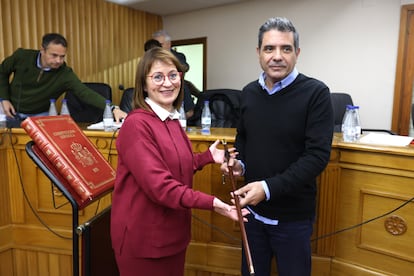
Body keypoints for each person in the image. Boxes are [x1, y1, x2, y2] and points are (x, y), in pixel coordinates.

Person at [110, 47, 248, 276]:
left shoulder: (172, 118)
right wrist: (215, 204)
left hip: (173, 236)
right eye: (157, 77)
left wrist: (206, 158)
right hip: (143, 240)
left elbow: (174, 165)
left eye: (173, 75)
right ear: (143, 84)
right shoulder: (136, 124)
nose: (167, 83)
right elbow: (161, 186)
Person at [221, 17, 334, 276]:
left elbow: (316, 157)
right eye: (269, 49)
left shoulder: (316, 93)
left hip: (293, 219)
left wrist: (267, 188)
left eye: (286, 48)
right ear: (258, 53)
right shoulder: (248, 92)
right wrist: (239, 165)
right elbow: (243, 140)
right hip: (252, 214)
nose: (277, 56)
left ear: (297, 53)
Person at [0, 33, 127, 126]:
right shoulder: (22, 56)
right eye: (54, 55)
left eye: (62, 56)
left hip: (40, 116)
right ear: (42, 50)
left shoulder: (65, 73)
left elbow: (85, 93)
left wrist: (112, 108)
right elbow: (2, 72)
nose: (58, 61)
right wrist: (4, 98)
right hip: (9, 109)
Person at [152, 30, 195, 118]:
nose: (157, 48)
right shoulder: (151, 58)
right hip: (158, 92)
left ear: (168, 44)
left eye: (161, 44)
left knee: (185, 114)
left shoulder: (178, 56)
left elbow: (184, 67)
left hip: (179, 91)